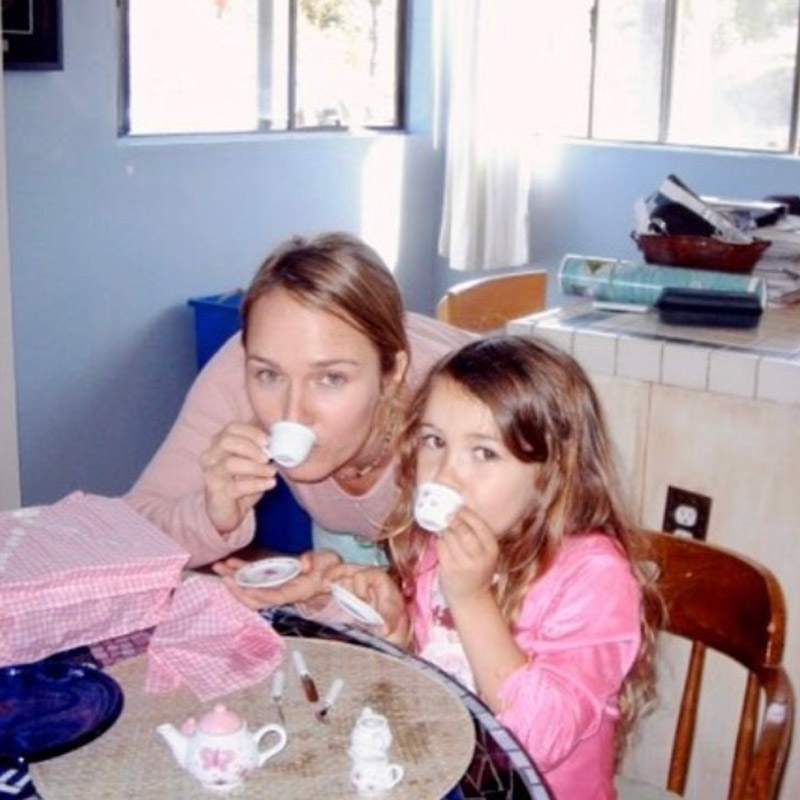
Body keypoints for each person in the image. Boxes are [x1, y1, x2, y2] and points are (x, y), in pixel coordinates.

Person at [327, 336, 657, 799]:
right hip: (449, 774)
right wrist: (399, 630)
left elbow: (536, 742)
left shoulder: (596, 578)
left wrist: (470, 597)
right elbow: (438, 670)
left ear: (551, 471)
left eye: (483, 452)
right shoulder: (440, 544)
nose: (443, 476)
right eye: (434, 441)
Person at [125, 232, 471, 612]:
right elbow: (129, 533)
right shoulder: (242, 367)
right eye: (269, 376)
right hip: (355, 553)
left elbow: (526, 605)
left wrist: (384, 591)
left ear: (391, 374)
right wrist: (211, 515)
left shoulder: (462, 408)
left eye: (331, 378)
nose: (292, 414)